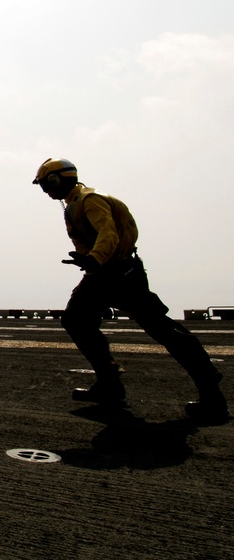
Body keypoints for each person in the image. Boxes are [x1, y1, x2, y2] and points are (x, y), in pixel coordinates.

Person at [33, 158, 228, 422]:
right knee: (78, 321)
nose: (45, 190)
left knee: (160, 328)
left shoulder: (90, 201)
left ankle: (210, 391)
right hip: (104, 273)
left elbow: (108, 234)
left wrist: (94, 258)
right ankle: (109, 384)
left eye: (47, 183)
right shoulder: (76, 203)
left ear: (59, 179)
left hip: (118, 273)